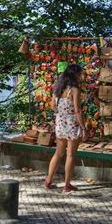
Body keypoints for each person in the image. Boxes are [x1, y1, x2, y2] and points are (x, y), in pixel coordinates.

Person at [44, 64, 88, 193]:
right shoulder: (74, 90)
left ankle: (48, 181)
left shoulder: (57, 89)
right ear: (75, 75)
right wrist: (84, 128)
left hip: (60, 123)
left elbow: (53, 106)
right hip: (71, 124)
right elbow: (77, 111)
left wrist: (61, 113)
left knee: (58, 153)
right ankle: (67, 185)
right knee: (70, 155)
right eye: (80, 74)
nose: (81, 76)